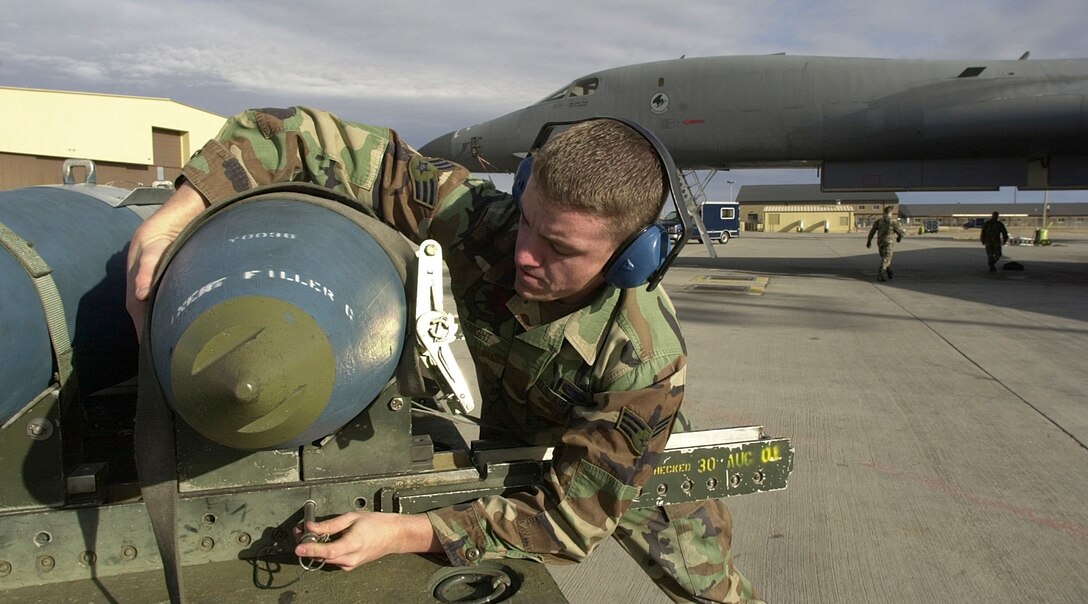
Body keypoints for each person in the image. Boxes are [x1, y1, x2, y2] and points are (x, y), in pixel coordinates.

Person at [126, 107, 762, 603]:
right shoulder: (479, 219)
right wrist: (170, 221)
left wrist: (404, 534)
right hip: (508, 433)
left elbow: (567, 526)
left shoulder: (641, 363)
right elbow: (295, 135)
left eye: (561, 249)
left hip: (613, 461)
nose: (525, 254)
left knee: (702, 581)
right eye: (529, 221)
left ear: (630, 259)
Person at [866, 206, 906, 281]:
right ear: (891, 213)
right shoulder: (893, 222)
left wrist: (869, 241)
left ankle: (888, 271)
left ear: (884, 213)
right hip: (888, 242)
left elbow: (872, 231)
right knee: (887, 258)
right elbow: (901, 233)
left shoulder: (879, 221)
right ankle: (881, 274)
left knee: (885, 258)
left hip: (880, 243)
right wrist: (899, 238)